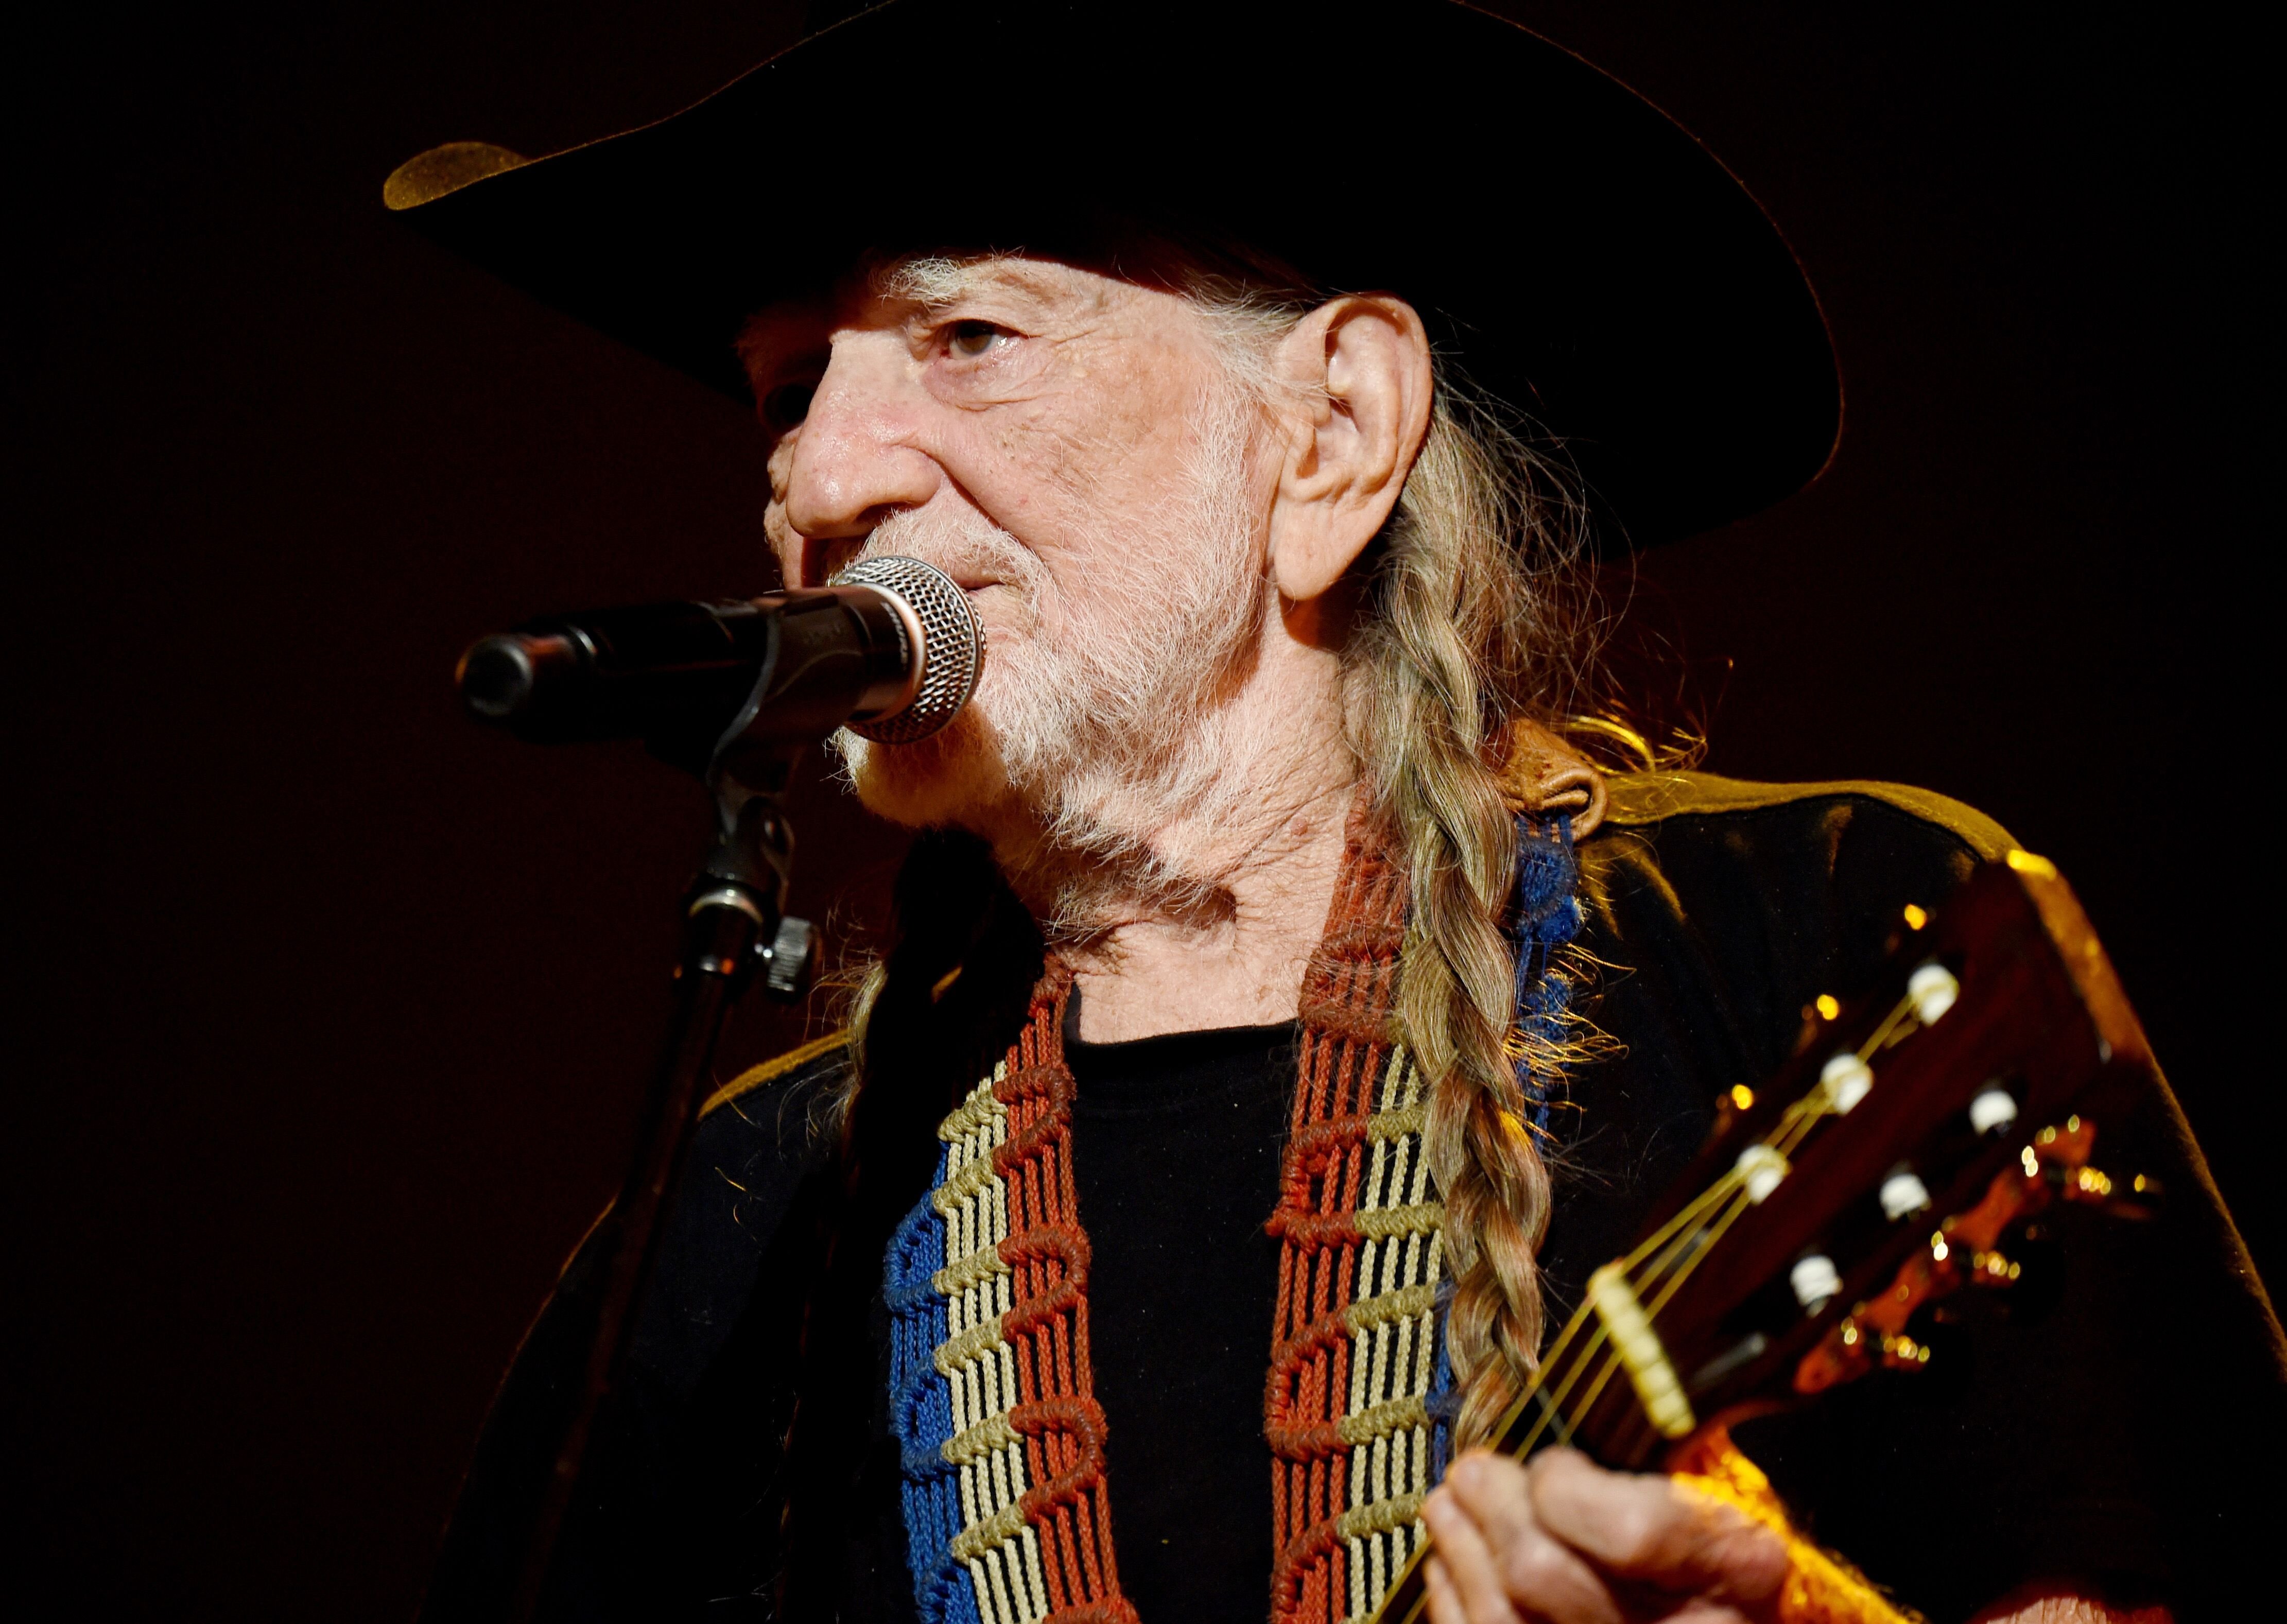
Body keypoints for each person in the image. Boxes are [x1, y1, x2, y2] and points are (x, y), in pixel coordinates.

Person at [393, 4, 2285, 1620]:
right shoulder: (737, 1226)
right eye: (790, 388)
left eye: (965, 338)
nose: (816, 471)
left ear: (1333, 430)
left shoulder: (1823, 942)